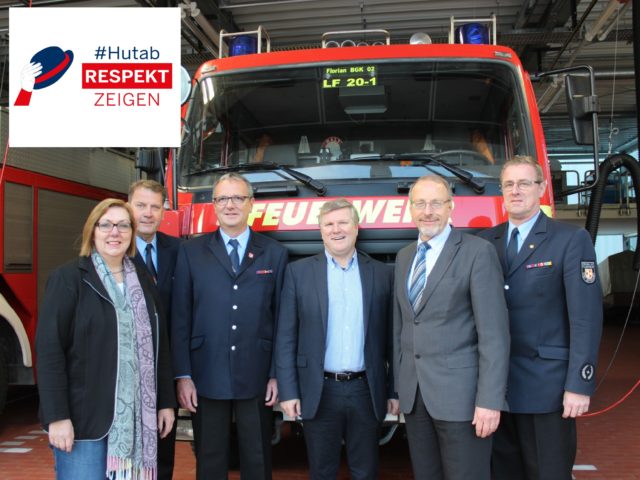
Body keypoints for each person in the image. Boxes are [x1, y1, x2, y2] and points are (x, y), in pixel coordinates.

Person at [478, 156, 603, 479]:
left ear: (542, 188)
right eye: (508, 184)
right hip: (497, 391)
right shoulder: (484, 243)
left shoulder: (570, 240)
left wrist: (580, 383)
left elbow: (585, 318)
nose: (515, 191)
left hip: (547, 389)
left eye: (524, 183)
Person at [36, 198, 175, 480]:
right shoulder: (68, 279)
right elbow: (50, 352)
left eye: (123, 225)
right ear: (93, 230)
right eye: (107, 225)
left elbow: (161, 347)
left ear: (132, 233)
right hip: (83, 423)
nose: (115, 232)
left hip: (139, 422)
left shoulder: (144, 280)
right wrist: (57, 416)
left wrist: (165, 402)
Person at [171, 172, 288, 479]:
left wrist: (277, 373)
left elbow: (281, 318)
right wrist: (183, 375)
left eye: (238, 198)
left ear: (251, 204)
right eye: (223, 198)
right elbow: (181, 316)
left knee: (257, 457)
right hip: (205, 372)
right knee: (210, 458)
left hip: (257, 372)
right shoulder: (191, 252)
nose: (230, 205)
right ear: (214, 205)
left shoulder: (274, 253)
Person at [393, 174, 509, 480]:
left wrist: (489, 401)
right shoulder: (404, 257)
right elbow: (403, 327)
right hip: (415, 398)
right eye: (420, 203)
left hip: (464, 401)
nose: (428, 211)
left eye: (436, 203)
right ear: (410, 209)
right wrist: (398, 387)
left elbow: (494, 335)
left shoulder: (477, 252)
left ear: (451, 207)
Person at [276, 198, 399, 480]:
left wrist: (394, 391)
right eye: (329, 224)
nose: (336, 230)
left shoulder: (381, 273)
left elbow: (393, 339)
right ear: (320, 231)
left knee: (366, 471)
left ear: (356, 228)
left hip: (365, 390)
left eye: (343, 222)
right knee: (321, 471)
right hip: (319, 391)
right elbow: (286, 337)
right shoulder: (298, 273)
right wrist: (289, 391)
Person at [128, 179, 182, 480]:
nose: (148, 213)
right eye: (141, 205)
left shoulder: (180, 250)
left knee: (164, 451)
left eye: (155, 206)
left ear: (163, 211)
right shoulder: (114, 249)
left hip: (165, 370)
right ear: (128, 206)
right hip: (126, 373)